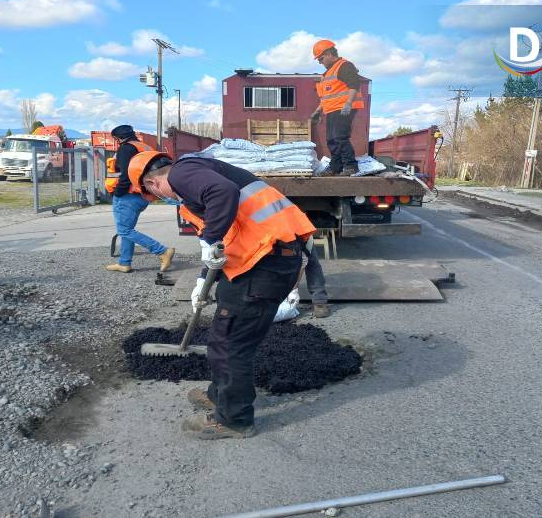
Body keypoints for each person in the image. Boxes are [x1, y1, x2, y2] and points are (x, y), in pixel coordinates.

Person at [129, 151, 316, 439]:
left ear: (152, 183)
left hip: (266, 264)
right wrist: (202, 280)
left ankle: (233, 419)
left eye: (154, 195)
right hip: (263, 260)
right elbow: (222, 243)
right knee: (223, 336)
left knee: (231, 344)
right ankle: (220, 395)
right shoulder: (201, 181)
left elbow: (222, 196)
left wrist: (211, 238)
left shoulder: (182, 173)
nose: (162, 198)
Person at [105, 125, 174, 273]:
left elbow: (125, 176)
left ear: (119, 138)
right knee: (127, 229)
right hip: (142, 195)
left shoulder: (126, 149)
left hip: (127, 195)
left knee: (124, 230)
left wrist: (117, 193)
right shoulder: (144, 147)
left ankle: (162, 251)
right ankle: (124, 263)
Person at [310, 39, 365, 176]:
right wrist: (317, 112)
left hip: (343, 108)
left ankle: (351, 166)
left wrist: (348, 103)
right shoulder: (328, 74)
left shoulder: (344, 66)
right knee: (331, 139)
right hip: (332, 110)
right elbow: (326, 98)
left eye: (320, 58)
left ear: (329, 53)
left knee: (340, 137)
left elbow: (354, 84)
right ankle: (336, 167)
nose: (320, 62)